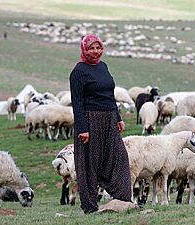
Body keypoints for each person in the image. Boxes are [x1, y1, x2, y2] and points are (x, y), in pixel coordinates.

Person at [69, 34, 132, 214]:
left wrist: (118, 117)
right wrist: (82, 128)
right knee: (89, 163)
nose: (96, 52)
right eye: (91, 48)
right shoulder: (79, 71)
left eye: (98, 48)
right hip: (90, 120)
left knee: (119, 158)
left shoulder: (103, 67)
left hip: (109, 119)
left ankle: (122, 200)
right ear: (84, 49)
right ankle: (90, 207)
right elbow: (77, 102)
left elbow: (109, 95)